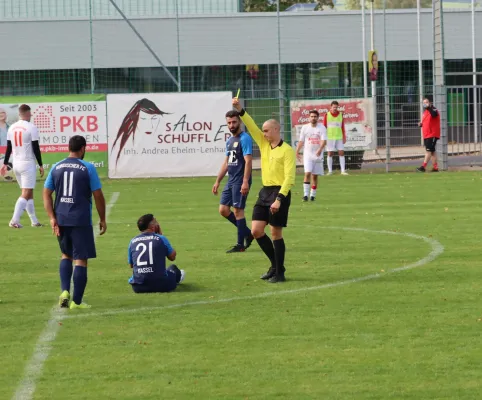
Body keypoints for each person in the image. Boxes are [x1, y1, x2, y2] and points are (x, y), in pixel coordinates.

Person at [232, 98, 296, 283]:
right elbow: (251, 126)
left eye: (267, 130)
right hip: (264, 192)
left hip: (279, 193)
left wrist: (279, 199)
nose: (264, 133)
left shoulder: (287, 150)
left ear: (276, 130)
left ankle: (280, 273)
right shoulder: (263, 143)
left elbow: (289, 178)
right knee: (256, 230)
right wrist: (240, 109)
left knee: (276, 233)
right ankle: (276, 266)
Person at [43, 135, 107, 310]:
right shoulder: (88, 168)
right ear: (83, 148)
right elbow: (98, 195)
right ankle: (77, 302)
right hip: (80, 219)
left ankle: (64, 291)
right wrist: (102, 218)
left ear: (69, 148)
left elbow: (46, 193)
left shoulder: (56, 167)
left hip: (61, 218)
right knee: (81, 260)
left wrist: (51, 217)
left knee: (66, 255)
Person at [212, 110, 254, 253]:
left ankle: (240, 245)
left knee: (238, 211)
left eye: (234, 122)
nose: (231, 125)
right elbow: (226, 162)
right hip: (231, 180)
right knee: (223, 210)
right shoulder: (229, 141)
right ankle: (247, 233)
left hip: (240, 180)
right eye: (229, 123)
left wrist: (245, 181)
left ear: (240, 122)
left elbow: (248, 161)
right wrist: (218, 180)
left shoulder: (245, 138)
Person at [0, 104, 44, 228]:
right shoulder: (31, 127)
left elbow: (8, 148)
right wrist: (40, 164)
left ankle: (34, 221)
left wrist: (5, 164)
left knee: (28, 192)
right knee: (26, 193)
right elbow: (35, 147)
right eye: (30, 114)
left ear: (19, 114)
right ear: (28, 114)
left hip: (16, 163)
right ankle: (14, 220)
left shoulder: (12, 127)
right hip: (27, 163)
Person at [128, 214, 185, 293]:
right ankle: (178, 277)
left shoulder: (132, 241)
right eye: (156, 222)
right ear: (152, 226)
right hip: (161, 285)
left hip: (138, 287)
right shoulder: (160, 238)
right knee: (173, 268)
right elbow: (172, 257)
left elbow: (131, 265)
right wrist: (161, 236)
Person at [295, 110, 327, 202]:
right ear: (309, 118)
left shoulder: (322, 128)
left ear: (318, 118)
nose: (313, 118)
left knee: (315, 176)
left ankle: (312, 195)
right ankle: (305, 195)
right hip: (308, 154)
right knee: (307, 173)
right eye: (312, 116)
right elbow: (301, 141)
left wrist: (320, 149)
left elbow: (324, 141)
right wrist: (297, 151)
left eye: (315, 116)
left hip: (318, 154)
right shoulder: (305, 128)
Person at [323, 101, 348, 176]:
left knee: (341, 152)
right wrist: (324, 138)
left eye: (336, 107)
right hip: (330, 137)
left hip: (339, 137)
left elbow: (342, 126)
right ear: (331, 107)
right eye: (334, 107)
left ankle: (343, 171)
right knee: (330, 153)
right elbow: (324, 127)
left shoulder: (340, 114)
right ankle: (330, 171)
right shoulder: (326, 115)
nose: (335, 108)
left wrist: (344, 136)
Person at [417, 97, 440, 173]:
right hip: (427, 134)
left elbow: (434, 115)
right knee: (432, 151)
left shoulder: (433, 109)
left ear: (429, 102)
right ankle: (435, 168)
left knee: (428, 151)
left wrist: (429, 107)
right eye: (423, 103)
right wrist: (421, 124)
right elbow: (425, 122)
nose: (425, 104)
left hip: (432, 134)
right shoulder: (425, 112)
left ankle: (423, 167)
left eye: (426, 102)